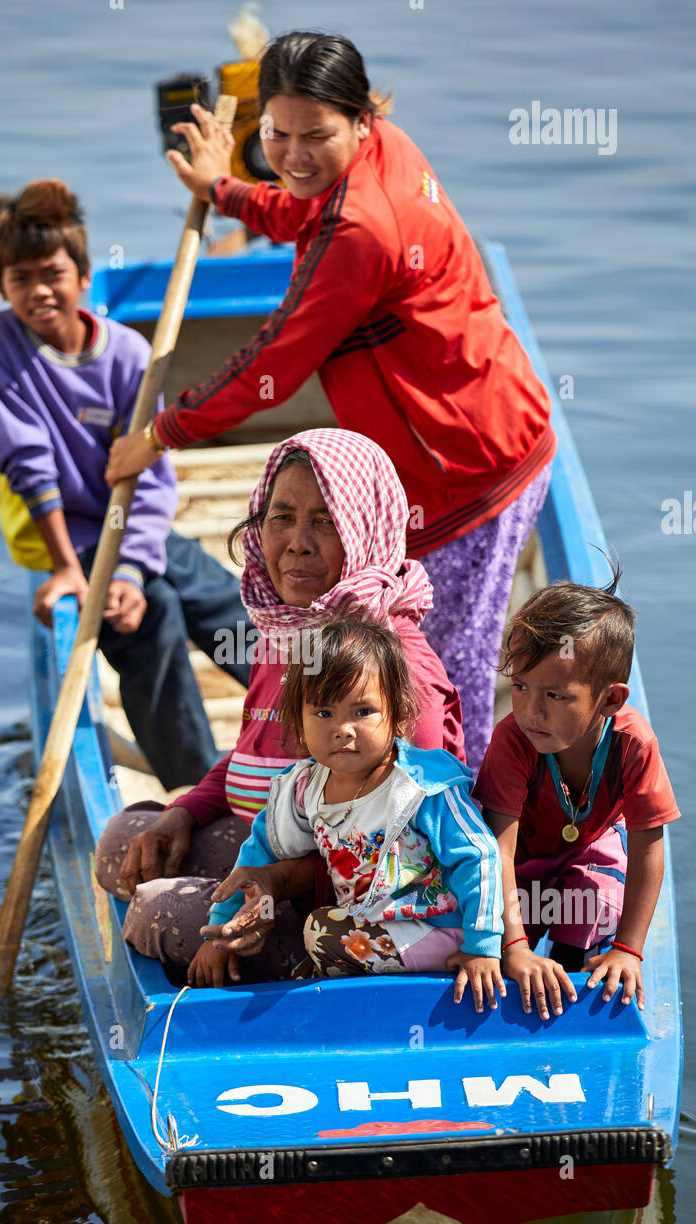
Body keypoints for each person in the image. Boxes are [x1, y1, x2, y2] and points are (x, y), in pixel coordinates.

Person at [105, 31, 557, 771]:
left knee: (441, 673)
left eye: (315, 135)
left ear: (362, 122)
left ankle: (457, 846)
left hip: (470, 469)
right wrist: (223, 193)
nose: (293, 155)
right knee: (395, 654)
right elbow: (300, 209)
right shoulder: (381, 156)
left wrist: (162, 431)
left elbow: (271, 367)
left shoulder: (361, 233)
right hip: (455, 432)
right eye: (277, 135)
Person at [95, 427, 465, 984]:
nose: (297, 542)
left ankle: (300, 971)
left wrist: (269, 885)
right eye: (281, 518)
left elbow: (407, 853)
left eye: (325, 522)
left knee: (158, 913)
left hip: (352, 904)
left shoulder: (398, 669)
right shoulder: (287, 631)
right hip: (269, 845)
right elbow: (251, 756)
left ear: (364, 530)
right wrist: (187, 810)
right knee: (126, 839)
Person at [0, 178, 252, 791]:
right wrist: (72, 570)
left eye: (52, 273)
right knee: (149, 621)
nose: (39, 290)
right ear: (1, 287)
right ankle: (196, 789)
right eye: (20, 278)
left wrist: (127, 569)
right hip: (68, 534)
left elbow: (151, 481)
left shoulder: (126, 354)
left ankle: (310, 710)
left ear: (84, 276)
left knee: (216, 597)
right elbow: (26, 458)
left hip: (131, 522)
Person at [199, 617, 505, 1008]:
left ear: (396, 713)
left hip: (437, 934)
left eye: (363, 711)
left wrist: (482, 948)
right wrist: (220, 933)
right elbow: (255, 862)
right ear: (299, 720)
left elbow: (479, 856)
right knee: (299, 972)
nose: (343, 729)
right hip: (369, 932)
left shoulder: (422, 785)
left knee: (321, 932)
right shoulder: (302, 789)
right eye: (324, 714)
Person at [474, 575, 680, 1020]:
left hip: (585, 852)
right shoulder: (513, 740)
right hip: (521, 865)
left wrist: (628, 950)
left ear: (610, 700)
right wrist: (513, 947)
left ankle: (567, 967)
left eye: (555, 695)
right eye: (520, 687)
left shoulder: (633, 744)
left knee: (596, 897)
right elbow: (498, 854)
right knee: (495, 939)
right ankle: (534, 970)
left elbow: (648, 850)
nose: (530, 710)